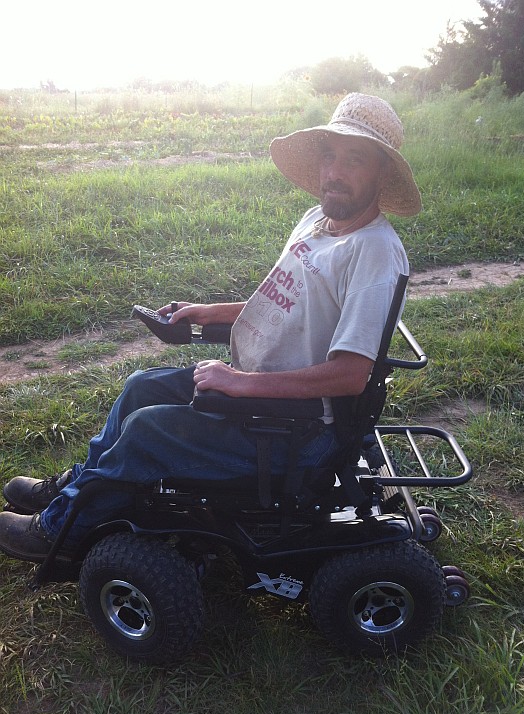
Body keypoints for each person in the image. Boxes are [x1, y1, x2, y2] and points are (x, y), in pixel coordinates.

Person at [0, 93, 421, 561]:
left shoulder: (374, 253)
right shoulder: (317, 221)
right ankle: (75, 488)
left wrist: (241, 383)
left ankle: (60, 532)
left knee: (147, 431)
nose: (334, 173)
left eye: (354, 159)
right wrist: (209, 311)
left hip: (299, 433)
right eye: (329, 156)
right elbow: (288, 304)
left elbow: (351, 374)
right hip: (259, 401)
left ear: (382, 171)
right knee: (140, 387)